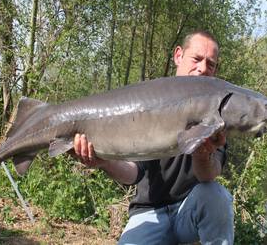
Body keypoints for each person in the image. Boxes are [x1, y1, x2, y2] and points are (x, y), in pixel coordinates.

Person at [73, 30, 234, 245]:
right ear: (178, 56)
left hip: (188, 212)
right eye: (196, 58)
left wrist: (203, 153)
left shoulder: (218, 112)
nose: (203, 68)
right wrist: (104, 162)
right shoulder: (148, 101)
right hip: (149, 212)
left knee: (216, 195)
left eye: (210, 64)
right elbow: (134, 174)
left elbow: (209, 176)